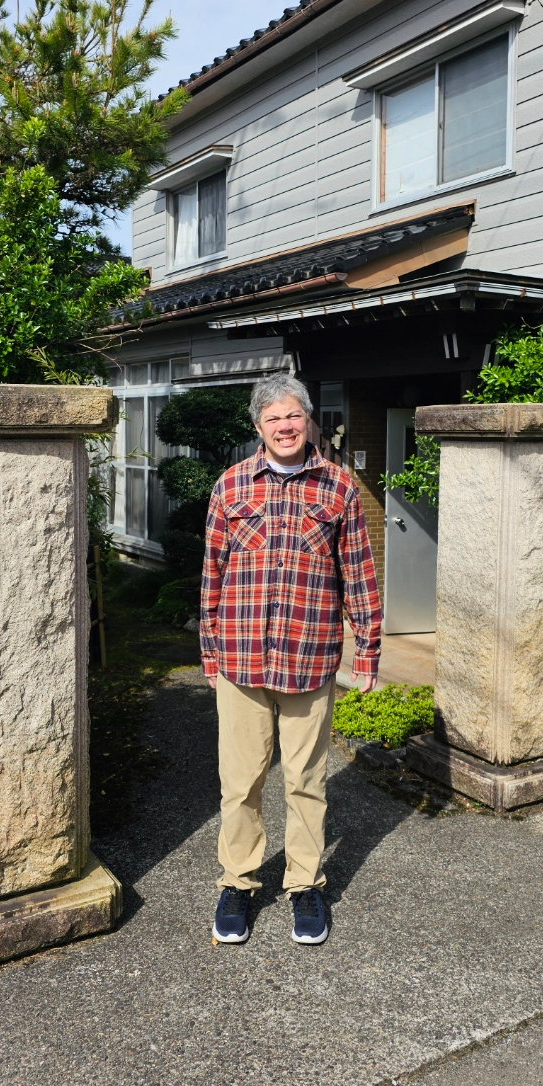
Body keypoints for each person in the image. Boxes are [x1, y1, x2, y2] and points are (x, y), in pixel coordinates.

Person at [200, 374, 382, 946]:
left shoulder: (340, 489)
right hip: (241, 657)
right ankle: (239, 882)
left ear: (309, 422)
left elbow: (359, 575)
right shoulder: (230, 487)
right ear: (258, 426)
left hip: (309, 658)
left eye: (294, 416)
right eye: (273, 418)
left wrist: (368, 651)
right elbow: (212, 577)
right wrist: (208, 651)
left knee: (306, 780)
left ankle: (305, 884)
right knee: (241, 781)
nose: (284, 426)